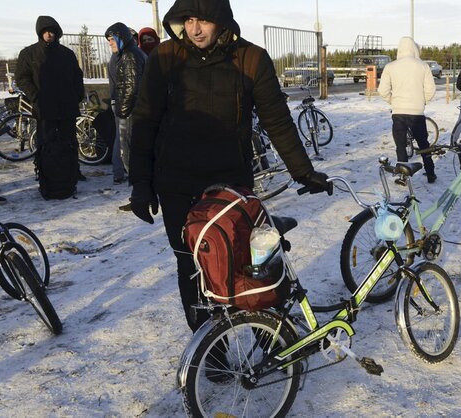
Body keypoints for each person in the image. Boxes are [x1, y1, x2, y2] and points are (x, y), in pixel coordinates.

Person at [129, 0, 331, 332]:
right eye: (188, 19)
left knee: (245, 261)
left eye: (204, 20)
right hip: (177, 181)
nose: (194, 29)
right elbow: (146, 120)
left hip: (231, 183)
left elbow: (276, 120)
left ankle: (268, 339)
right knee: (191, 265)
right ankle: (214, 351)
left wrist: (302, 171)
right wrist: (141, 183)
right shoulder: (164, 57)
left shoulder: (250, 59)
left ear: (221, 20)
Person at [15, 16, 85, 197]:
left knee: (69, 143)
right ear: (40, 33)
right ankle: (48, 179)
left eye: (52, 31)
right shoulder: (29, 53)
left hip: (67, 108)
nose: (49, 34)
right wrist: (35, 96)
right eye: (45, 31)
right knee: (46, 145)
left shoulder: (67, 54)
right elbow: (22, 78)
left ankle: (71, 174)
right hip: (45, 109)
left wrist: (78, 96)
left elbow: (77, 76)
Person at [378, 36, 437, 184]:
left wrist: (393, 101)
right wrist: (423, 101)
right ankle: (430, 173)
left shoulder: (390, 67)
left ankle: (403, 176)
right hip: (417, 113)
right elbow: (431, 90)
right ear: (414, 49)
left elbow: (382, 90)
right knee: (423, 144)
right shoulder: (423, 66)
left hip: (398, 113)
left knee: (400, 145)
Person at [105, 22, 146, 192]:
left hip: (129, 111)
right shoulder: (132, 53)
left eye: (112, 40)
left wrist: (122, 111)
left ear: (120, 38)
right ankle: (137, 189)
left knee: (127, 150)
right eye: (108, 41)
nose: (110, 44)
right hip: (132, 109)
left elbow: (131, 87)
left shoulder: (129, 56)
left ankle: (138, 190)